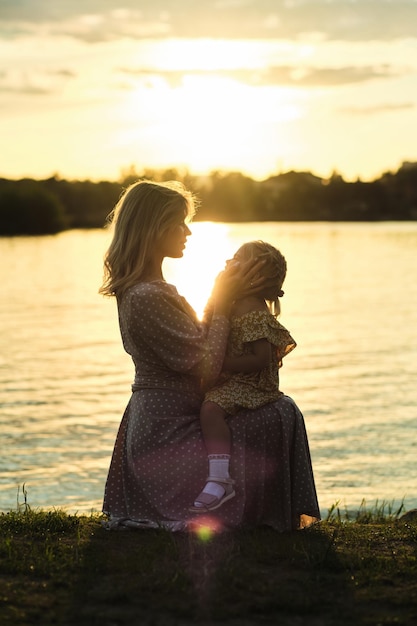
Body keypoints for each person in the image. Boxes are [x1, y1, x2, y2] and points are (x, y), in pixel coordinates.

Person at [100, 179, 320, 532]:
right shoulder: (146, 297)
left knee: (275, 408)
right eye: (179, 222)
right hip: (168, 430)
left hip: (176, 416)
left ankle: (262, 510)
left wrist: (227, 300)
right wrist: (221, 300)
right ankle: (255, 510)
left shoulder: (152, 291)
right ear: (155, 228)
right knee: (280, 411)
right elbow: (206, 366)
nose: (187, 231)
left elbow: (201, 341)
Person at [190, 241, 296, 513]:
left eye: (237, 259)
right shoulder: (234, 302)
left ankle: (219, 479)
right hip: (236, 378)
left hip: (253, 384)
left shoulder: (250, 307)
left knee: (211, 409)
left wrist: (222, 364)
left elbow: (262, 358)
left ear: (255, 274)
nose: (228, 262)